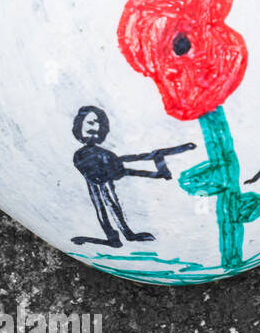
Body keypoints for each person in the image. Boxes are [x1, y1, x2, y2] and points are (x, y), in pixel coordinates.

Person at [70, 105, 196, 248]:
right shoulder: (82, 154)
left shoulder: (103, 153)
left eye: (99, 123)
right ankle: (113, 236)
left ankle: (125, 233)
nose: (95, 126)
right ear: (79, 125)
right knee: (103, 206)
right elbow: (102, 171)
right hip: (99, 182)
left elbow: (123, 165)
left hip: (105, 180)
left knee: (113, 204)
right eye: (91, 122)